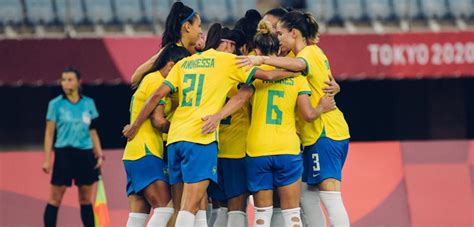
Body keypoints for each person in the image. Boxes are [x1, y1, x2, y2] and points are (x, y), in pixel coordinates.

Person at [122, 40, 302, 227]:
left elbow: (157, 95)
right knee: (189, 206)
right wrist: (297, 72)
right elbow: (267, 75)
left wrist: (134, 125)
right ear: (224, 45)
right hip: (200, 136)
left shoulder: (184, 64)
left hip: (175, 139)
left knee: (189, 206)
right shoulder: (224, 61)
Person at [201, 20, 336, 227]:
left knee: (262, 214)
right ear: (278, 48)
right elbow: (308, 113)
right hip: (287, 149)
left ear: (256, 49)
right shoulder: (298, 77)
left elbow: (240, 99)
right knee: (291, 213)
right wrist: (322, 108)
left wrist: (217, 116)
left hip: (257, 150)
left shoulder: (253, 77)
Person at [237, 11, 351, 227]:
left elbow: (299, 66)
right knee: (307, 197)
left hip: (325, 131)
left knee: (331, 198)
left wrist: (261, 58)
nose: (278, 38)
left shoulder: (308, 54)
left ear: (294, 33)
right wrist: (337, 87)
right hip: (314, 136)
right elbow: (330, 81)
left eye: (281, 33)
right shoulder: (311, 54)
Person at [123, 44, 191, 227]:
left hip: (133, 153)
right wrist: (185, 126)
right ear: (170, 66)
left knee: (137, 216)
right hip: (146, 151)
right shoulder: (156, 82)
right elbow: (158, 121)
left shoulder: (148, 78)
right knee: (165, 209)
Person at [42, 67, 104, 227]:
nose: (65, 83)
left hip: (85, 154)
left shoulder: (88, 103)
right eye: (63, 80)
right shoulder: (55, 104)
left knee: (85, 199)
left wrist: (99, 153)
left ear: (78, 82)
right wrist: (47, 160)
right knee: (55, 198)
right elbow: (49, 134)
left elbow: (93, 130)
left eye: (70, 79)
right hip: (64, 154)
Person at [204, 23, 251, 227]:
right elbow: (247, 92)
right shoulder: (236, 70)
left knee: (218, 206)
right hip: (236, 149)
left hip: (212, 147)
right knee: (237, 206)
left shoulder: (205, 70)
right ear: (228, 46)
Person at [131, 1, 203, 88]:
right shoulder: (169, 53)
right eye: (199, 26)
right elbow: (135, 79)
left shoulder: (193, 51)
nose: (201, 31)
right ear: (187, 27)